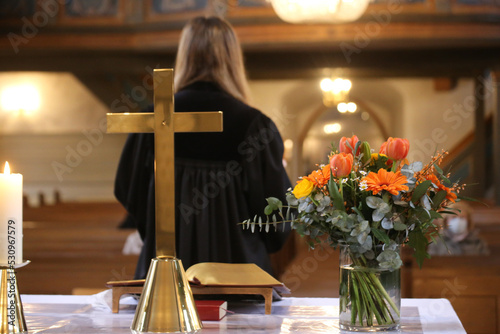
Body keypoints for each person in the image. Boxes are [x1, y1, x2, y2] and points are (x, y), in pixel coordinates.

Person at [114, 16, 291, 279]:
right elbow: (276, 211)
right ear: (233, 60)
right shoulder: (254, 125)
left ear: (184, 56)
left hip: (165, 277)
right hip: (237, 277)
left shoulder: (155, 118)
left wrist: (156, 232)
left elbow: (128, 190)